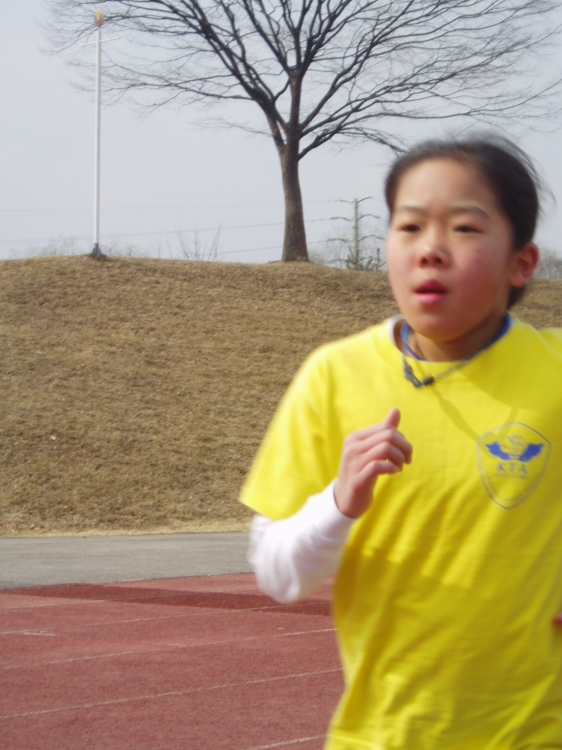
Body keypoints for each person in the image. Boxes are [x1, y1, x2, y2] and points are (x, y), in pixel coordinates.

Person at [239, 136, 562, 749]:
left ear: (521, 263)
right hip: (380, 736)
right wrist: (340, 502)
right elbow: (278, 576)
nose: (430, 250)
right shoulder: (334, 376)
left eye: (465, 228)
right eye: (409, 226)